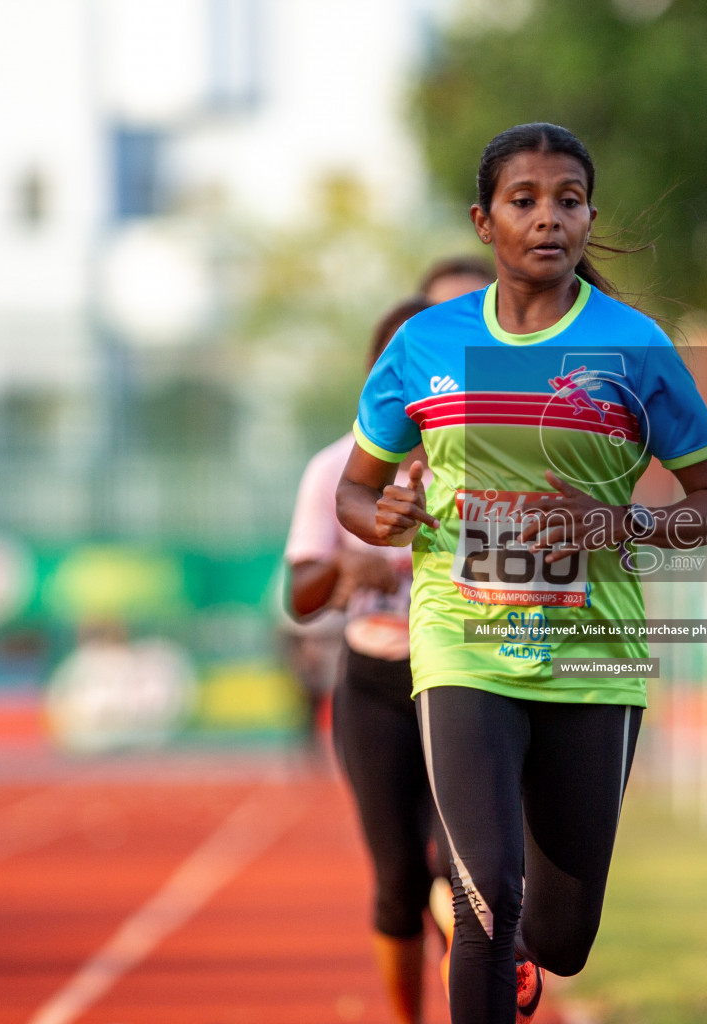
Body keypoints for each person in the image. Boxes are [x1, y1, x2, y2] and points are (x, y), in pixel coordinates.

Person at [337, 122, 707, 1024]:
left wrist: (626, 520)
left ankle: (529, 954)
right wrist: (388, 514)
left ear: (591, 217)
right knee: (484, 899)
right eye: (525, 201)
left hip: (593, 654)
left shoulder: (633, 346)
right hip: (461, 642)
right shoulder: (425, 344)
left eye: (568, 200)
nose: (548, 218)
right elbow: (355, 496)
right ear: (485, 222)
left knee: (557, 936)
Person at [284, 264, 490, 1024]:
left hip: (472, 673)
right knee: (401, 878)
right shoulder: (336, 467)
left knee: (467, 868)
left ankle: (480, 994)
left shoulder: (494, 457)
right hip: (376, 680)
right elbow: (299, 596)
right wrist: (352, 564)